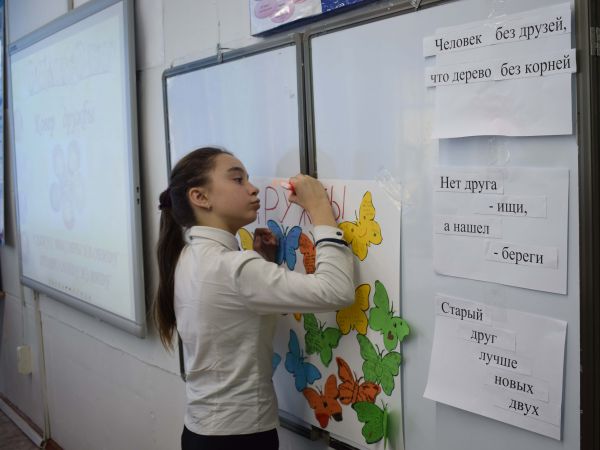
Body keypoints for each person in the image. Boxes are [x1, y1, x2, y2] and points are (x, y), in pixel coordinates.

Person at [153, 147, 354, 450]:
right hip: (239, 439)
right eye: (238, 180)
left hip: (202, 431)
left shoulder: (188, 255)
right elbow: (336, 289)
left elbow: (231, 303)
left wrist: (263, 262)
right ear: (200, 197)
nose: (253, 188)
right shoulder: (234, 268)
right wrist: (320, 208)